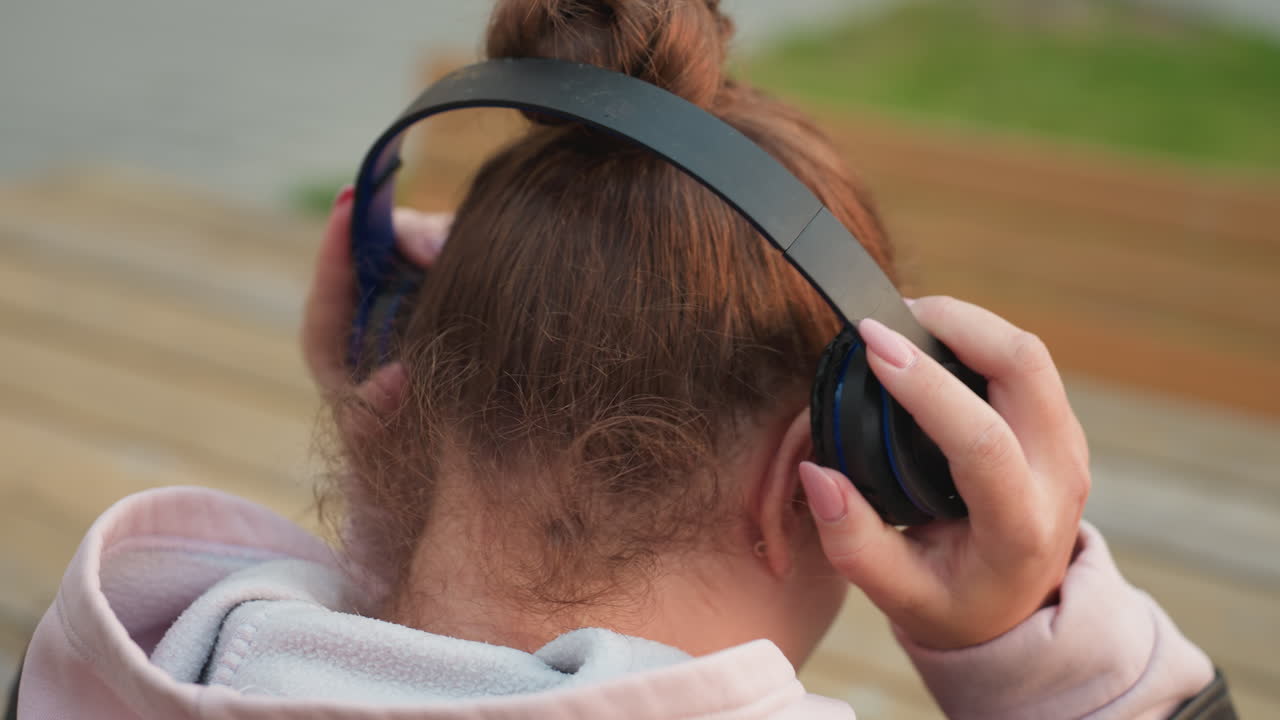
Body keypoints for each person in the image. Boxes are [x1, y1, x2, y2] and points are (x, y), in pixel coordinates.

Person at [13, 1, 1232, 718]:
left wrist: (397, 466)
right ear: (823, 476)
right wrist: (1031, 653)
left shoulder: (125, 659)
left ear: (393, 393)